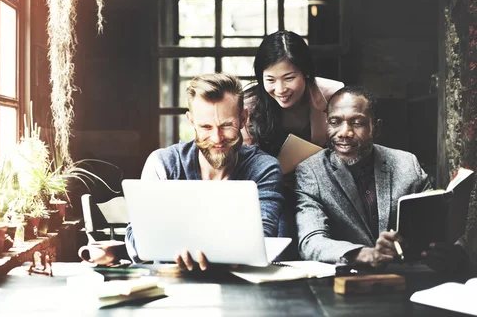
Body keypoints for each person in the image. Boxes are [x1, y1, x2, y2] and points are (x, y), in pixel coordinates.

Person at [295, 86, 474, 273]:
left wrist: (451, 251)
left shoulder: (406, 164)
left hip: (408, 279)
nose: (344, 132)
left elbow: (437, 222)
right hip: (346, 284)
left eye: (357, 123)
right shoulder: (311, 172)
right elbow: (311, 241)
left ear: (376, 128)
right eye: (335, 122)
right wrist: (366, 254)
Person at [126, 73, 285, 271]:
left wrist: (179, 240)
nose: (217, 138)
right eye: (205, 127)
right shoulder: (163, 164)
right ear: (191, 121)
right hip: (170, 286)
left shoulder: (264, 168)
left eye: (226, 125)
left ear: (243, 119)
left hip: (241, 286)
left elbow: (263, 236)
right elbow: (136, 240)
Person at [243, 30, 344, 257]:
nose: (280, 90)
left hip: (321, 188)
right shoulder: (248, 104)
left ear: (306, 72)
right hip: (268, 192)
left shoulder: (334, 95)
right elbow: (244, 162)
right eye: (270, 80)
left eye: (289, 78)